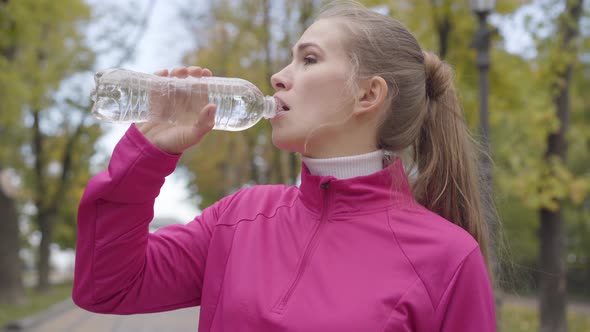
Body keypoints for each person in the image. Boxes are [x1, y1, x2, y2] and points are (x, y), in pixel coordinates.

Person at [73, 1, 497, 331]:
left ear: (368, 95)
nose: (278, 76)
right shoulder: (238, 218)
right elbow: (107, 287)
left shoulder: (449, 258)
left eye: (308, 59)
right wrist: (147, 157)